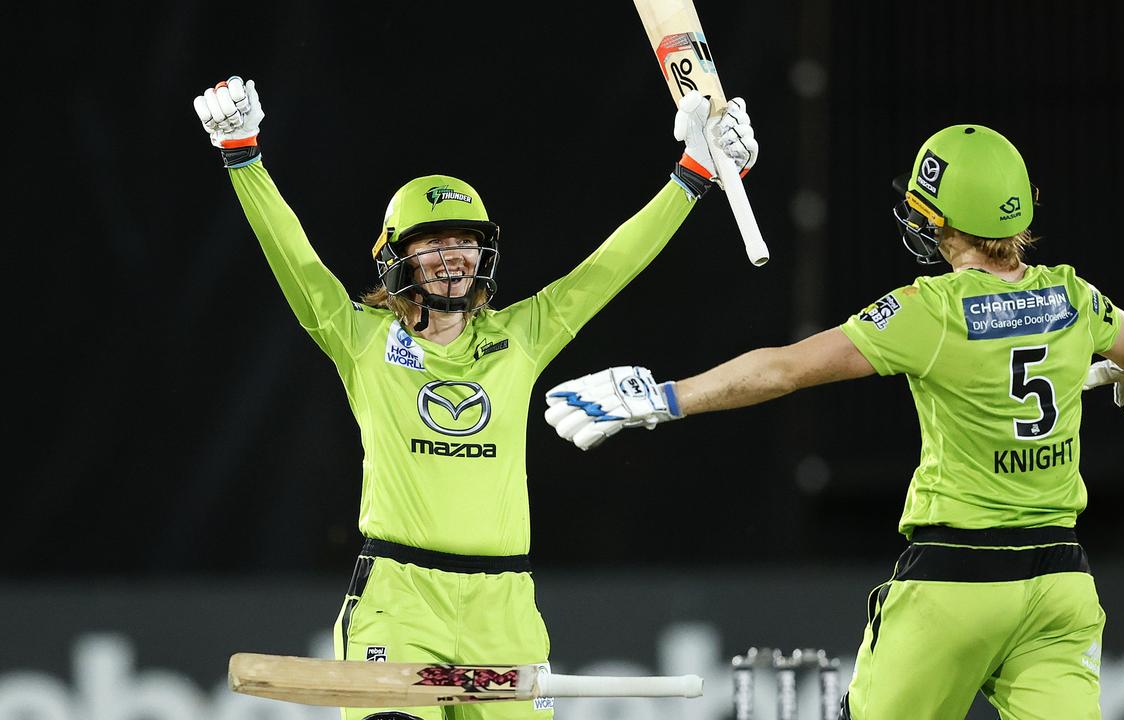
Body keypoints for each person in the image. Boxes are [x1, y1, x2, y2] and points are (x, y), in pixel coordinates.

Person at [543, 124, 1124, 719]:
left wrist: (664, 397)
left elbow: (785, 368)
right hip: (1059, 584)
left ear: (945, 223)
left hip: (956, 582)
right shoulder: (1075, 297)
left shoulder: (930, 311)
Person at [192, 75, 758, 720]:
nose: (452, 256)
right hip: (399, 601)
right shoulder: (359, 337)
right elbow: (292, 255)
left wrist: (690, 178)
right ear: (396, 257)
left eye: (464, 241)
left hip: (504, 606)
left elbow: (608, 267)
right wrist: (243, 156)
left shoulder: (521, 336)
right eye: (431, 242)